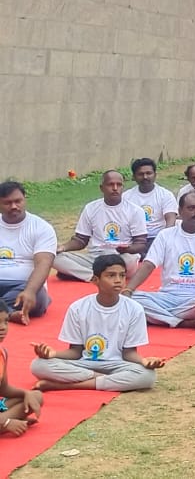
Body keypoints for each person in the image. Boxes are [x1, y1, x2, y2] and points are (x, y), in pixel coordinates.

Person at [30, 254, 163, 392]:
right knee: (38, 365)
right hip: (84, 364)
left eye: (122, 275)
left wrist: (144, 361)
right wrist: (53, 354)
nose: (118, 280)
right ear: (95, 280)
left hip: (117, 365)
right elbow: (75, 352)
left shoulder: (134, 309)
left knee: (148, 375)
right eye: (111, 276)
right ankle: (105, 379)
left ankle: (64, 386)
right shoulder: (78, 307)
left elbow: (128, 353)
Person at [128, 192, 195, 330]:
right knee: (130, 300)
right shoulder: (165, 235)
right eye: (191, 208)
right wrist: (128, 290)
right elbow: (148, 265)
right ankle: (180, 322)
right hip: (168, 297)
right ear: (179, 211)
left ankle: (159, 317)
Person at [56, 171, 148, 282]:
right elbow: (81, 240)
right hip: (96, 257)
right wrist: (63, 247)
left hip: (120, 256)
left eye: (119, 185)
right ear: (102, 188)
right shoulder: (91, 208)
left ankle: (91, 274)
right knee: (54, 258)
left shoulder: (135, 210)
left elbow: (141, 243)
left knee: (131, 259)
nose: (115, 188)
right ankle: (92, 277)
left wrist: (128, 249)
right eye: (110, 184)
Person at [0, 182, 54, 323]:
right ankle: (10, 314)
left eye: (18, 201)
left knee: (38, 296)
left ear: (25, 198)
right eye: (7, 203)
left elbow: (44, 263)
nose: (13, 206)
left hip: (25, 285)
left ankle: (4, 311)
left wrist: (30, 291)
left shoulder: (41, 228)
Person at [0, 302, 45, 437]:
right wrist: (7, 422)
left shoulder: (2, 353)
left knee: (36, 397)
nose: (3, 328)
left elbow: (3, 389)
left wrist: (26, 393)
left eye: (6, 322)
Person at [126, 158, 177, 240]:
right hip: (134, 238)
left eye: (149, 173)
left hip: (157, 237)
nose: (145, 177)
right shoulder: (126, 197)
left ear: (155, 175)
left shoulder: (166, 195)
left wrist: (164, 240)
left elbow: (171, 220)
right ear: (134, 177)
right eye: (140, 174)